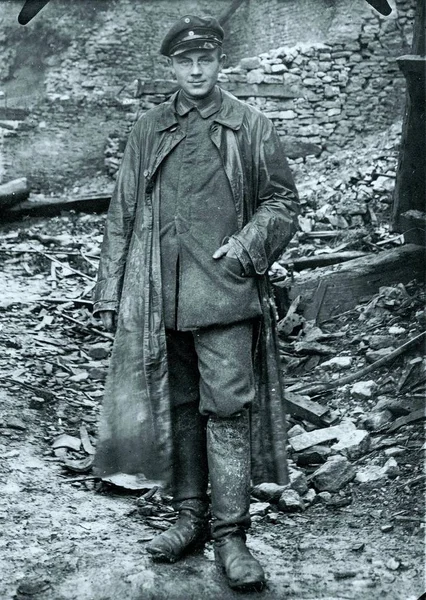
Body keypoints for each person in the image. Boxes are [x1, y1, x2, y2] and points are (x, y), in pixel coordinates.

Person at [93, 15, 299, 592]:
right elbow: (123, 214)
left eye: (204, 58)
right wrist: (111, 293)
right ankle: (189, 519)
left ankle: (231, 536)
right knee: (180, 405)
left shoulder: (250, 125)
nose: (195, 69)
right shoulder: (149, 129)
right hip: (160, 297)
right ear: (171, 67)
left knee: (228, 409)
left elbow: (283, 203)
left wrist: (245, 248)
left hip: (227, 295)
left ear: (218, 61)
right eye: (184, 61)